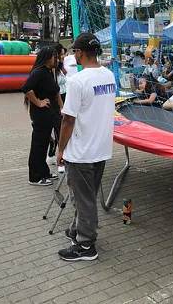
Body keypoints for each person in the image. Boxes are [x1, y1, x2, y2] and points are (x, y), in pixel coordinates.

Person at [56, 33, 116, 261]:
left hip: (81, 151)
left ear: (80, 53)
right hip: (100, 148)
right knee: (87, 195)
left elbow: (68, 119)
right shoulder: (109, 76)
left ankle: (86, 245)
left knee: (84, 199)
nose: (73, 55)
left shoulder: (77, 81)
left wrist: (60, 149)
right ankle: (77, 230)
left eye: (74, 52)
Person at [22, 47, 62, 186]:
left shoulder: (49, 72)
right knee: (38, 145)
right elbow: (26, 87)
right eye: (54, 57)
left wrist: (61, 107)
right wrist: (38, 102)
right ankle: (35, 176)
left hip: (50, 114)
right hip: (41, 115)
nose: (56, 60)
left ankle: (44, 172)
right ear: (47, 58)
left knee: (44, 144)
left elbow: (55, 92)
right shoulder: (39, 72)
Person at [47, 44, 68, 172]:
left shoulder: (59, 69)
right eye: (60, 54)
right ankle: (60, 159)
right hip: (58, 101)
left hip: (63, 98)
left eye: (63, 54)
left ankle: (53, 154)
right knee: (59, 130)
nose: (62, 57)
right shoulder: (52, 70)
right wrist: (61, 106)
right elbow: (56, 90)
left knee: (59, 130)